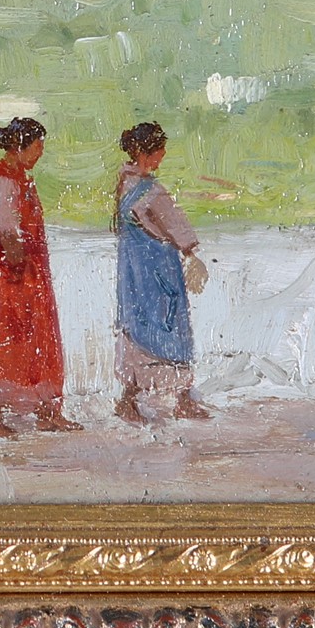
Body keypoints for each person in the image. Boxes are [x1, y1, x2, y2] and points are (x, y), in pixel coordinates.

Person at [0, 118, 81, 437]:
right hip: (13, 278)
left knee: (38, 342)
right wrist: (22, 271)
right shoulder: (5, 180)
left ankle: (47, 411)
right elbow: (7, 232)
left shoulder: (20, 178)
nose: (40, 153)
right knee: (11, 342)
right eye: (36, 147)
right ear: (19, 147)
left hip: (30, 275)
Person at [112, 122, 210, 423]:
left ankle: (129, 399)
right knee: (172, 330)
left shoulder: (125, 184)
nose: (163, 157)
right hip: (159, 272)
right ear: (146, 153)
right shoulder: (151, 192)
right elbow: (176, 225)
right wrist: (191, 253)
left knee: (136, 329)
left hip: (133, 273)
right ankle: (182, 400)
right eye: (159, 152)